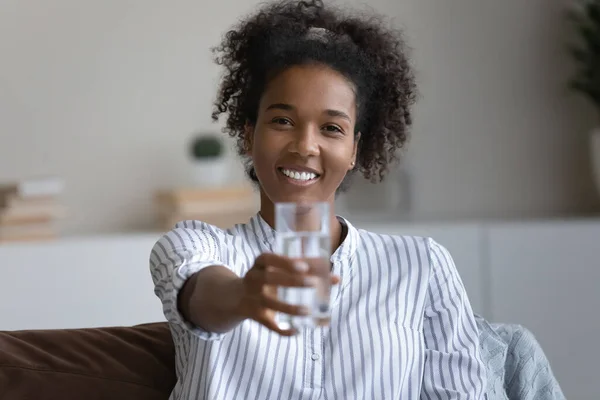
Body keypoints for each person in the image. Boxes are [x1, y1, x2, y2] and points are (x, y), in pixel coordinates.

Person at [149, 0, 486, 398]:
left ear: (355, 149)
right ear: (248, 133)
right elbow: (201, 294)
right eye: (282, 121)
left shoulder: (422, 265)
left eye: (331, 127)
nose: (305, 145)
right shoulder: (196, 245)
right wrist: (242, 295)